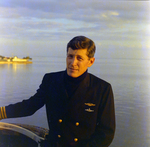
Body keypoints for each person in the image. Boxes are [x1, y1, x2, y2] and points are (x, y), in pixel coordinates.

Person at [0, 36, 115, 147]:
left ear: (91, 61)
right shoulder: (51, 80)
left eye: (79, 58)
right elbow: (30, 106)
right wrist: (1, 112)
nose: (73, 63)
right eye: (70, 56)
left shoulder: (102, 88)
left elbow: (106, 133)